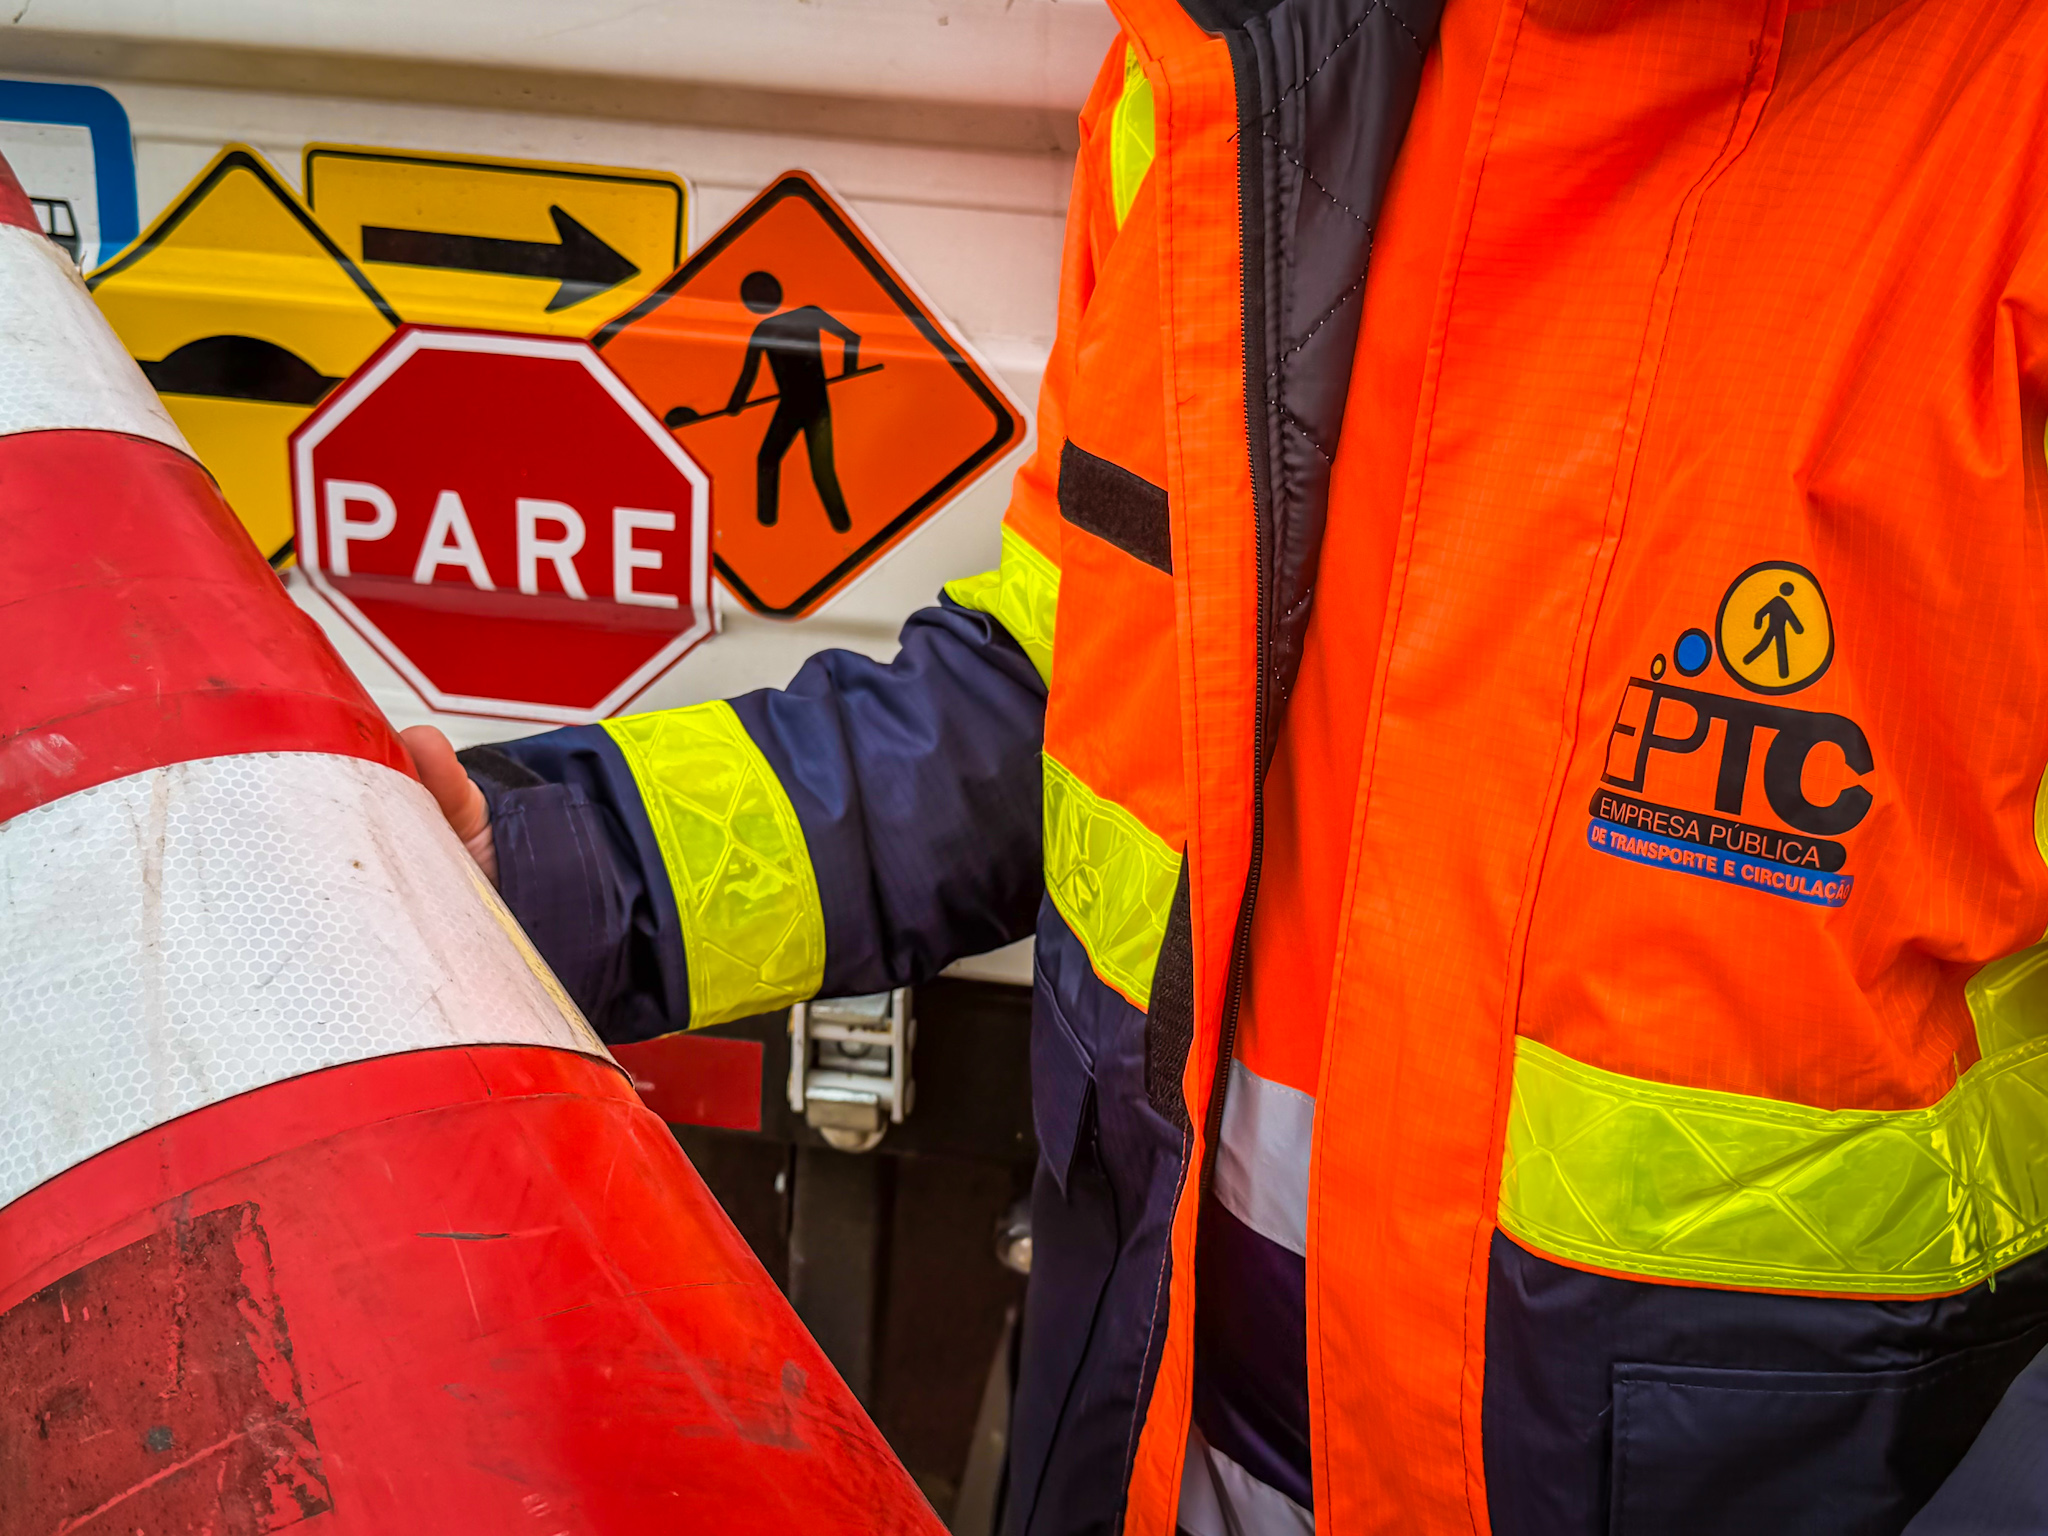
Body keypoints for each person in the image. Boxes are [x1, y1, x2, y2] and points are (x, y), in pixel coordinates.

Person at [404, 4, 2048, 1532]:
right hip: (1168, 1451)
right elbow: (1076, 692)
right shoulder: (1236, 72)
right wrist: (559, 868)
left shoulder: (2000, 131)